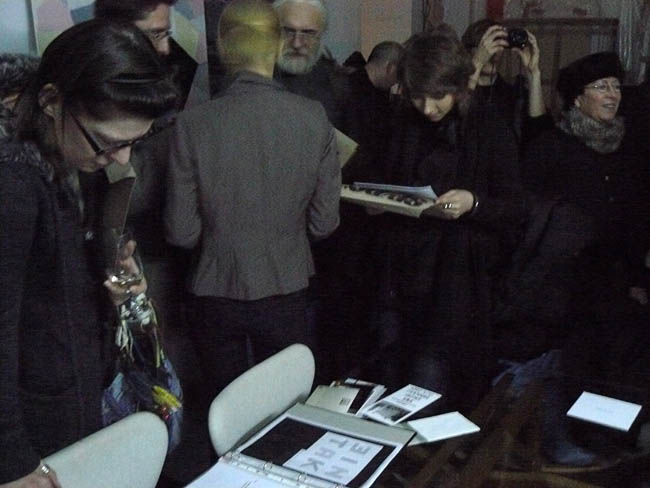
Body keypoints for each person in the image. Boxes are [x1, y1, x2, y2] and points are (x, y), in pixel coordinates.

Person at [0, 19, 177, 487]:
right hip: (33, 427)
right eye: (109, 142)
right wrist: (12, 461)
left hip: (71, 390)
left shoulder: (62, 147)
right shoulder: (13, 183)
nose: (121, 159)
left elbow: (49, 280)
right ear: (51, 100)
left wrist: (110, 283)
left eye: (133, 143)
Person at [165, 0, 340, 398]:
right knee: (283, 409)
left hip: (213, 292)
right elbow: (323, 223)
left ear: (224, 47)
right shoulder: (313, 117)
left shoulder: (191, 125)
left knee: (223, 411)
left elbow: (181, 233)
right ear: (276, 44)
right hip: (286, 288)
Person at [366, 27, 525, 410]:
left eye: (438, 96)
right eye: (417, 96)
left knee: (428, 382)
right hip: (399, 271)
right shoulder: (402, 121)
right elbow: (383, 175)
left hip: (454, 279)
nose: (427, 108)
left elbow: (516, 207)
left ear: (458, 87)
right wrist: (376, 200)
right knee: (386, 374)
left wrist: (473, 202)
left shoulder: (488, 125)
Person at [522, 52, 650, 386]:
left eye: (616, 86)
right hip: (561, 287)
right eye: (601, 87)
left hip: (615, 284)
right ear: (578, 99)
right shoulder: (553, 146)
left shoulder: (628, 148)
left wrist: (638, 278)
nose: (612, 95)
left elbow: (636, 218)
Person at [462, 19, 550, 153]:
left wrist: (534, 75)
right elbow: (457, 122)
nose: (492, 53)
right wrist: (477, 64)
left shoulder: (513, 93)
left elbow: (539, 132)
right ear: (469, 52)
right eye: (487, 47)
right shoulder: (456, 91)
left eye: (498, 45)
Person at [272, 0, 349, 129]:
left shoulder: (337, 87)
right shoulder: (251, 80)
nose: (297, 43)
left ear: (322, 35)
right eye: (288, 31)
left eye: (308, 33)